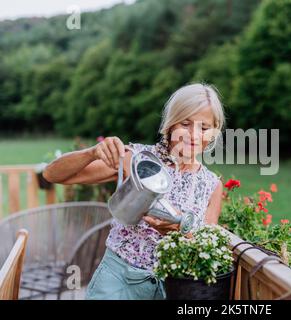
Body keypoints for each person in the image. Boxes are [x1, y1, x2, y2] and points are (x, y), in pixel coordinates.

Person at [43, 83, 225, 299]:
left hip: (172, 289)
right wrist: (92, 153)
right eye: (185, 124)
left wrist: (178, 227)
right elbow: (52, 175)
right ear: (170, 125)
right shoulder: (137, 159)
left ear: (214, 132)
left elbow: (207, 246)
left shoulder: (211, 184)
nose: (194, 135)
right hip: (118, 282)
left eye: (204, 128)